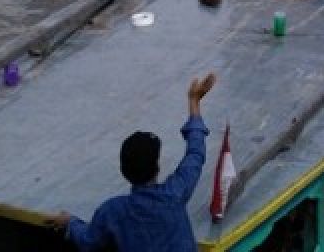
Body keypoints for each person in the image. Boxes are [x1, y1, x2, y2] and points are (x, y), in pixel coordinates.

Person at [48, 73, 216, 252]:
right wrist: (194, 101)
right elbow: (195, 153)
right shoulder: (175, 193)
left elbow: (88, 240)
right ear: (157, 167)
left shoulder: (112, 212)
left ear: (123, 171)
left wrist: (70, 222)